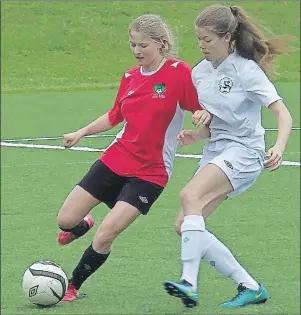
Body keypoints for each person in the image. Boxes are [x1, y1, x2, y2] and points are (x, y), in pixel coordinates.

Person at [56, 14, 211, 302]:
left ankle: (72, 285)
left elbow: (199, 109)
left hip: (151, 172)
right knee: (65, 220)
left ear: (162, 44)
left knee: (106, 234)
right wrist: (82, 132)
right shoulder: (129, 76)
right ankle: (81, 224)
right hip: (117, 158)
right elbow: (115, 116)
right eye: (133, 45)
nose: (137, 51)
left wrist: (202, 119)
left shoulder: (179, 72)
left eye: (143, 45)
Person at [163, 4, 293, 309]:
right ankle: (250, 286)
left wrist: (279, 146)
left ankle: (188, 283)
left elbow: (282, 114)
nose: (202, 45)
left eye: (208, 39)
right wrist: (198, 133)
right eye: (199, 39)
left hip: (245, 152)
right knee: (184, 224)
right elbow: (214, 121)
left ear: (227, 37)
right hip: (217, 150)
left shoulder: (246, 70)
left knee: (189, 195)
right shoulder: (199, 72)